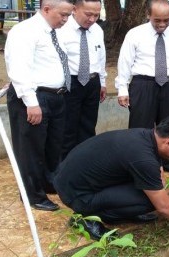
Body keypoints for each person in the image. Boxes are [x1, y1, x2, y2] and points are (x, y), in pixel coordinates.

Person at [53, 115, 169, 240]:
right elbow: (163, 206)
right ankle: (85, 218)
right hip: (77, 194)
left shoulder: (147, 137)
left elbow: (162, 184)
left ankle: (115, 214)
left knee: (153, 191)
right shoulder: (143, 158)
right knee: (148, 201)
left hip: (76, 180)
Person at [4, 0, 74, 211]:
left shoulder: (57, 31)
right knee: (30, 148)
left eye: (68, 15)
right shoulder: (25, 31)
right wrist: (31, 103)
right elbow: (18, 68)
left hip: (56, 96)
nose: (66, 19)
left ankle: (47, 182)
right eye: (63, 14)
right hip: (33, 98)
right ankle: (32, 194)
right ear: (46, 9)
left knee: (53, 145)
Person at [115, 0, 169, 175]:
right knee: (140, 127)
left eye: (166, 19)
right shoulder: (135, 34)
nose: (162, 24)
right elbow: (124, 63)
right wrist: (122, 89)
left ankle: (168, 162)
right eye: (158, 20)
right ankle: (136, 162)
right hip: (143, 85)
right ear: (148, 15)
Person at [59, 0, 107, 160]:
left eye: (96, 15)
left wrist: (102, 82)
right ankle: (65, 165)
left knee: (88, 126)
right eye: (88, 14)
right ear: (75, 9)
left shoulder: (97, 30)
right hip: (70, 83)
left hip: (92, 83)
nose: (92, 19)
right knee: (68, 127)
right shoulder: (61, 29)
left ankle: (84, 162)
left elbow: (101, 57)